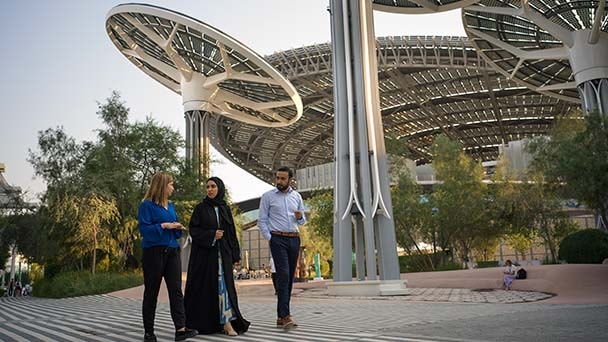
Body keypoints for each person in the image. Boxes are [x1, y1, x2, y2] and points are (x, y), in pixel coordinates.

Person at [184, 177, 250, 337]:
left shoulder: (225, 208)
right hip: (206, 257)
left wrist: (235, 253)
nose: (210, 189)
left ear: (219, 188)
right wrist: (211, 235)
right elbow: (194, 230)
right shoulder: (200, 208)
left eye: (213, 186)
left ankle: (227, 322)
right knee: (209, 288)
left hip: (223, 255)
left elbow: (232, 233)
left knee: (224, 287)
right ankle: (216, 322)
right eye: (207, 187)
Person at [138, 171, 198, 342]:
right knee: (151, 292)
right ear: (162, 186)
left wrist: (177, 227)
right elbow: (145, 231)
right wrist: (164, 225)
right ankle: (149, 333)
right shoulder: (146, 206)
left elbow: (175, 233)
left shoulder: (170, 206)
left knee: (176, 291)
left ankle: (180, 329)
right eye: (171, 184)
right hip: (153, 253)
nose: (173, 187)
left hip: (172, 251)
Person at [258, 166, 306, 329]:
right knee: (284, 275)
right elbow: (262, 220)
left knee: (289, 277)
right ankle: (285, 316)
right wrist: (271, 238)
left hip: (294, 239)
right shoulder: (267, 197)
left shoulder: (297, 196)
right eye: (277, 178)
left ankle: (281, 316)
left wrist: (300, 217)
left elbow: (302, 220)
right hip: (277, 238)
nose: (279, 181)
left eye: (283, 178)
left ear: (290, 179)